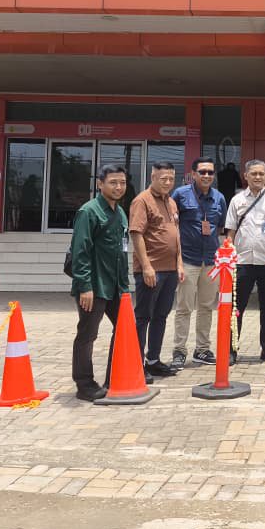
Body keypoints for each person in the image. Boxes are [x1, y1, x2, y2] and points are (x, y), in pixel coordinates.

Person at [69, 163, 131, 402]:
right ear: (100, 184)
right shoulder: (89, 211)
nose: (118, 187)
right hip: (94, 287)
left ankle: (114, 378)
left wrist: (125, 288)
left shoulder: (120, 212)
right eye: (113, 182)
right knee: (87, 335)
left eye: (122, 183)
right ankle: (84, 384)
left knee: (124, 329)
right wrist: (84, 286)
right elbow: (80, 251)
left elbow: (122, 252)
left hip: (115, 286)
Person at [224, 159, 265, 364]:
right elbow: (230, 233)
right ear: (246, 176)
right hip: (242, 263)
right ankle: (231, 350)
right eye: (254, 173)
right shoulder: (237, 200)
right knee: (236, 310)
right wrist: (227, 259)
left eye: (261, 173)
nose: (258, 177)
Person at [129, 161, 185, 381]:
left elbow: (176, 235)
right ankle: (136, 364)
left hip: (170, 271)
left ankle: (153, 360)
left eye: (171, 178)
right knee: (143, 317)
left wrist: (179, 263)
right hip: (151, 271)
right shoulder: (142, 201)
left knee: (161, 316)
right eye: (163, 179)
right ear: (153, 177)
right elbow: (136, 234)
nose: (168, 182)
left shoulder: (171, 202)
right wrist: (146, 266)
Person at [170, 157, 227, 369]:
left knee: (206, 307)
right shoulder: (180, 194)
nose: (206, 176)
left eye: (210, 172)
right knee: (184, 307)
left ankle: (202, 349)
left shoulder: (219, 198)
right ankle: (179, 351)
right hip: (188, 260)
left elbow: (219, 227)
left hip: (211, 261)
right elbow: (172, 226)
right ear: (193, 174)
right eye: (202, 172)